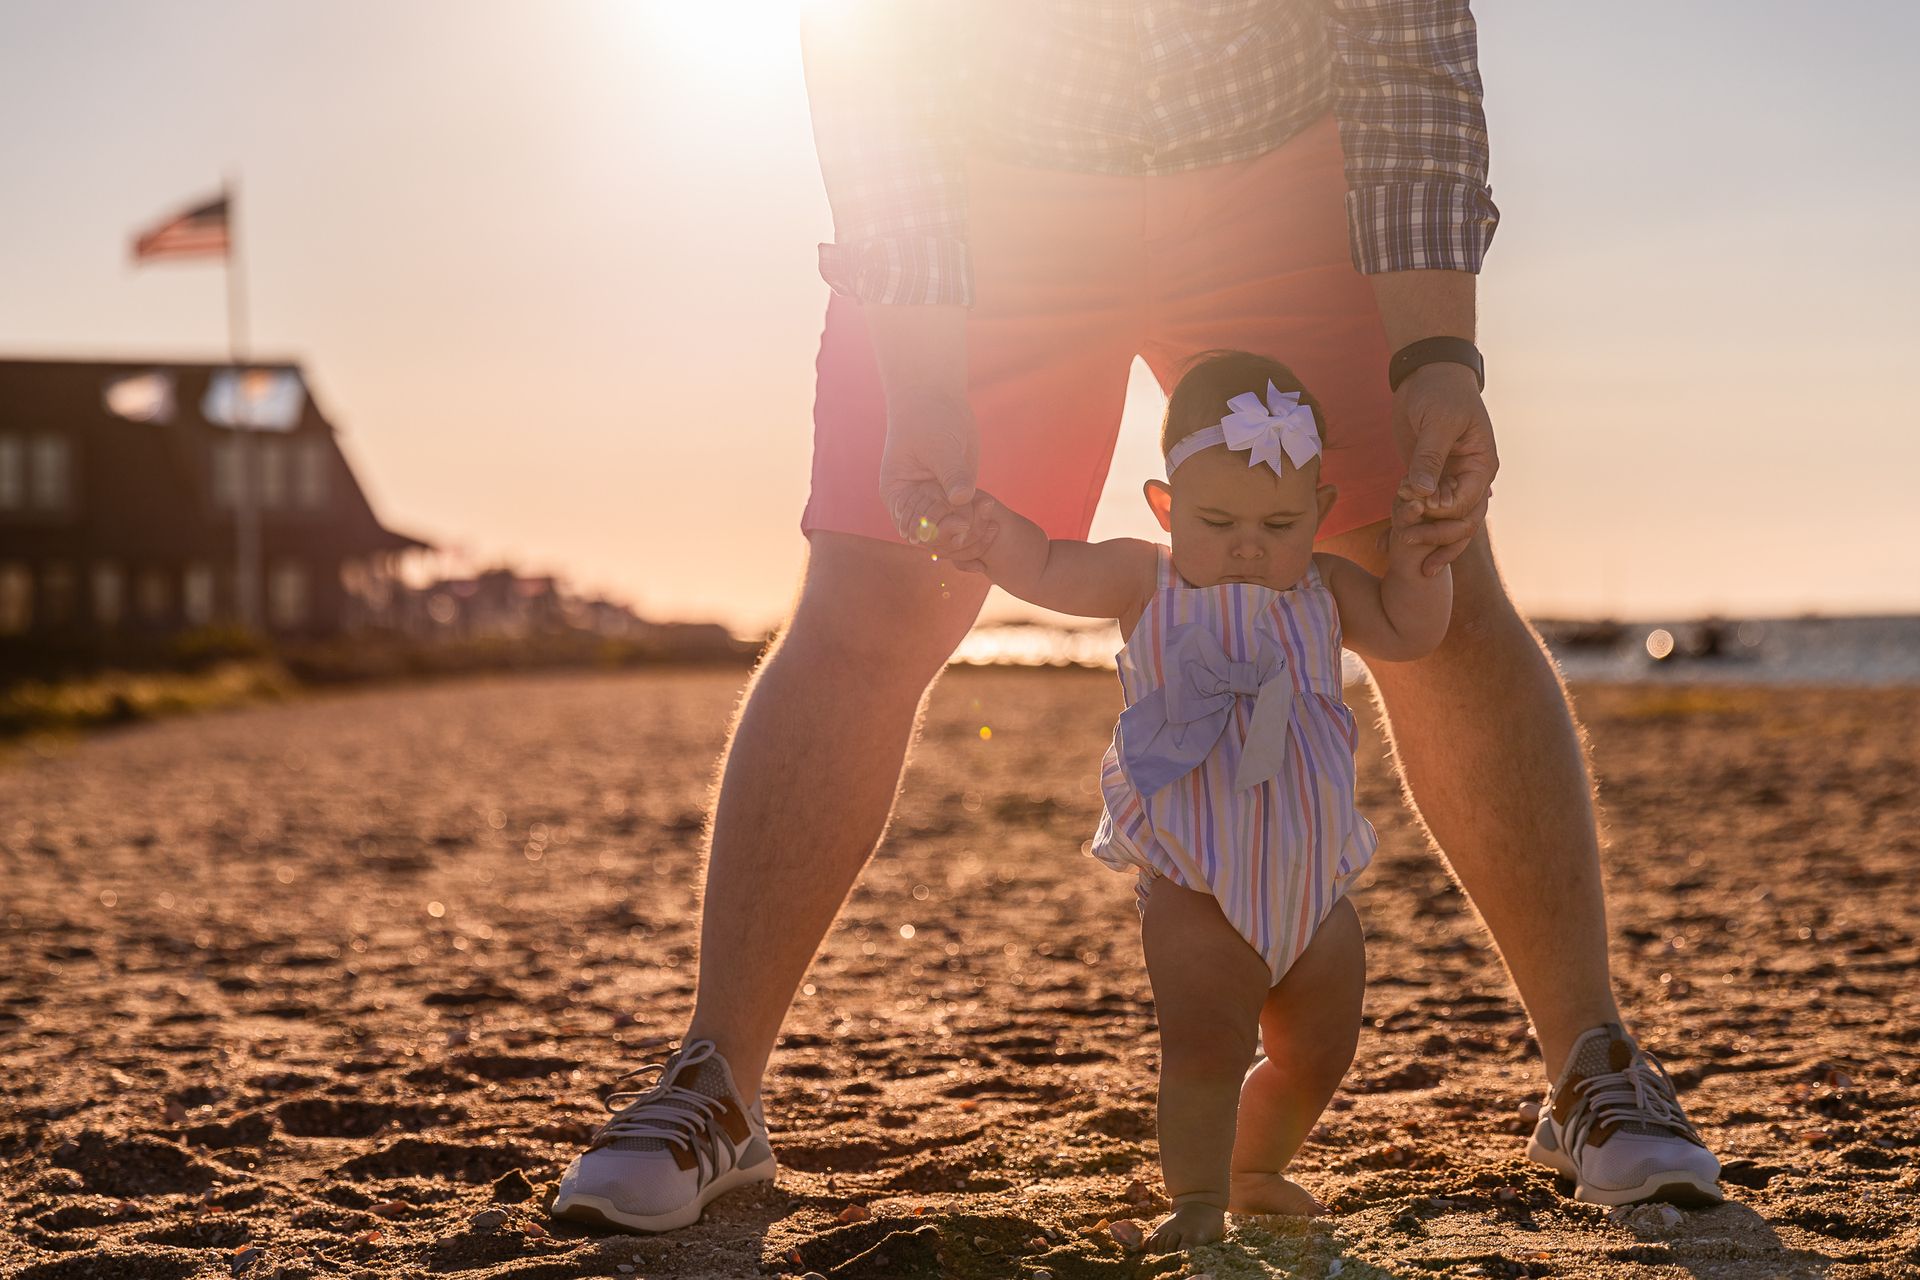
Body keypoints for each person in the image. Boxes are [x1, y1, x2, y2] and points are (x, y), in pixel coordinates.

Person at [550, 1, 1723, 1234]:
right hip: (993, 180)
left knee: (1435, 568)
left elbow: (1404, 28)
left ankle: (1593, 1060)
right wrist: (921, 360)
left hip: (1284, 166)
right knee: (875, 595)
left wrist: (1440, 352)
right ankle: (716, 1081)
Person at [946, 350, 1451, 1249]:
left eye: (1280, 521)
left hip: (1313, 885)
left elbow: (1413, 632)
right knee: (1206, 1051)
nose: (1251, 542)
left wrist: (1420, 563)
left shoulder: (1325, 589)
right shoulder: (1151, 580)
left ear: (1321, 517)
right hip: (1197, 885)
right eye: (1218, 520)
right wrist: (994, 535)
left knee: (1319, 1050)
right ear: (1167, 509)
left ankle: (1255, 1167)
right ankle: (1195, 1202)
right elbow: (1052, 567)